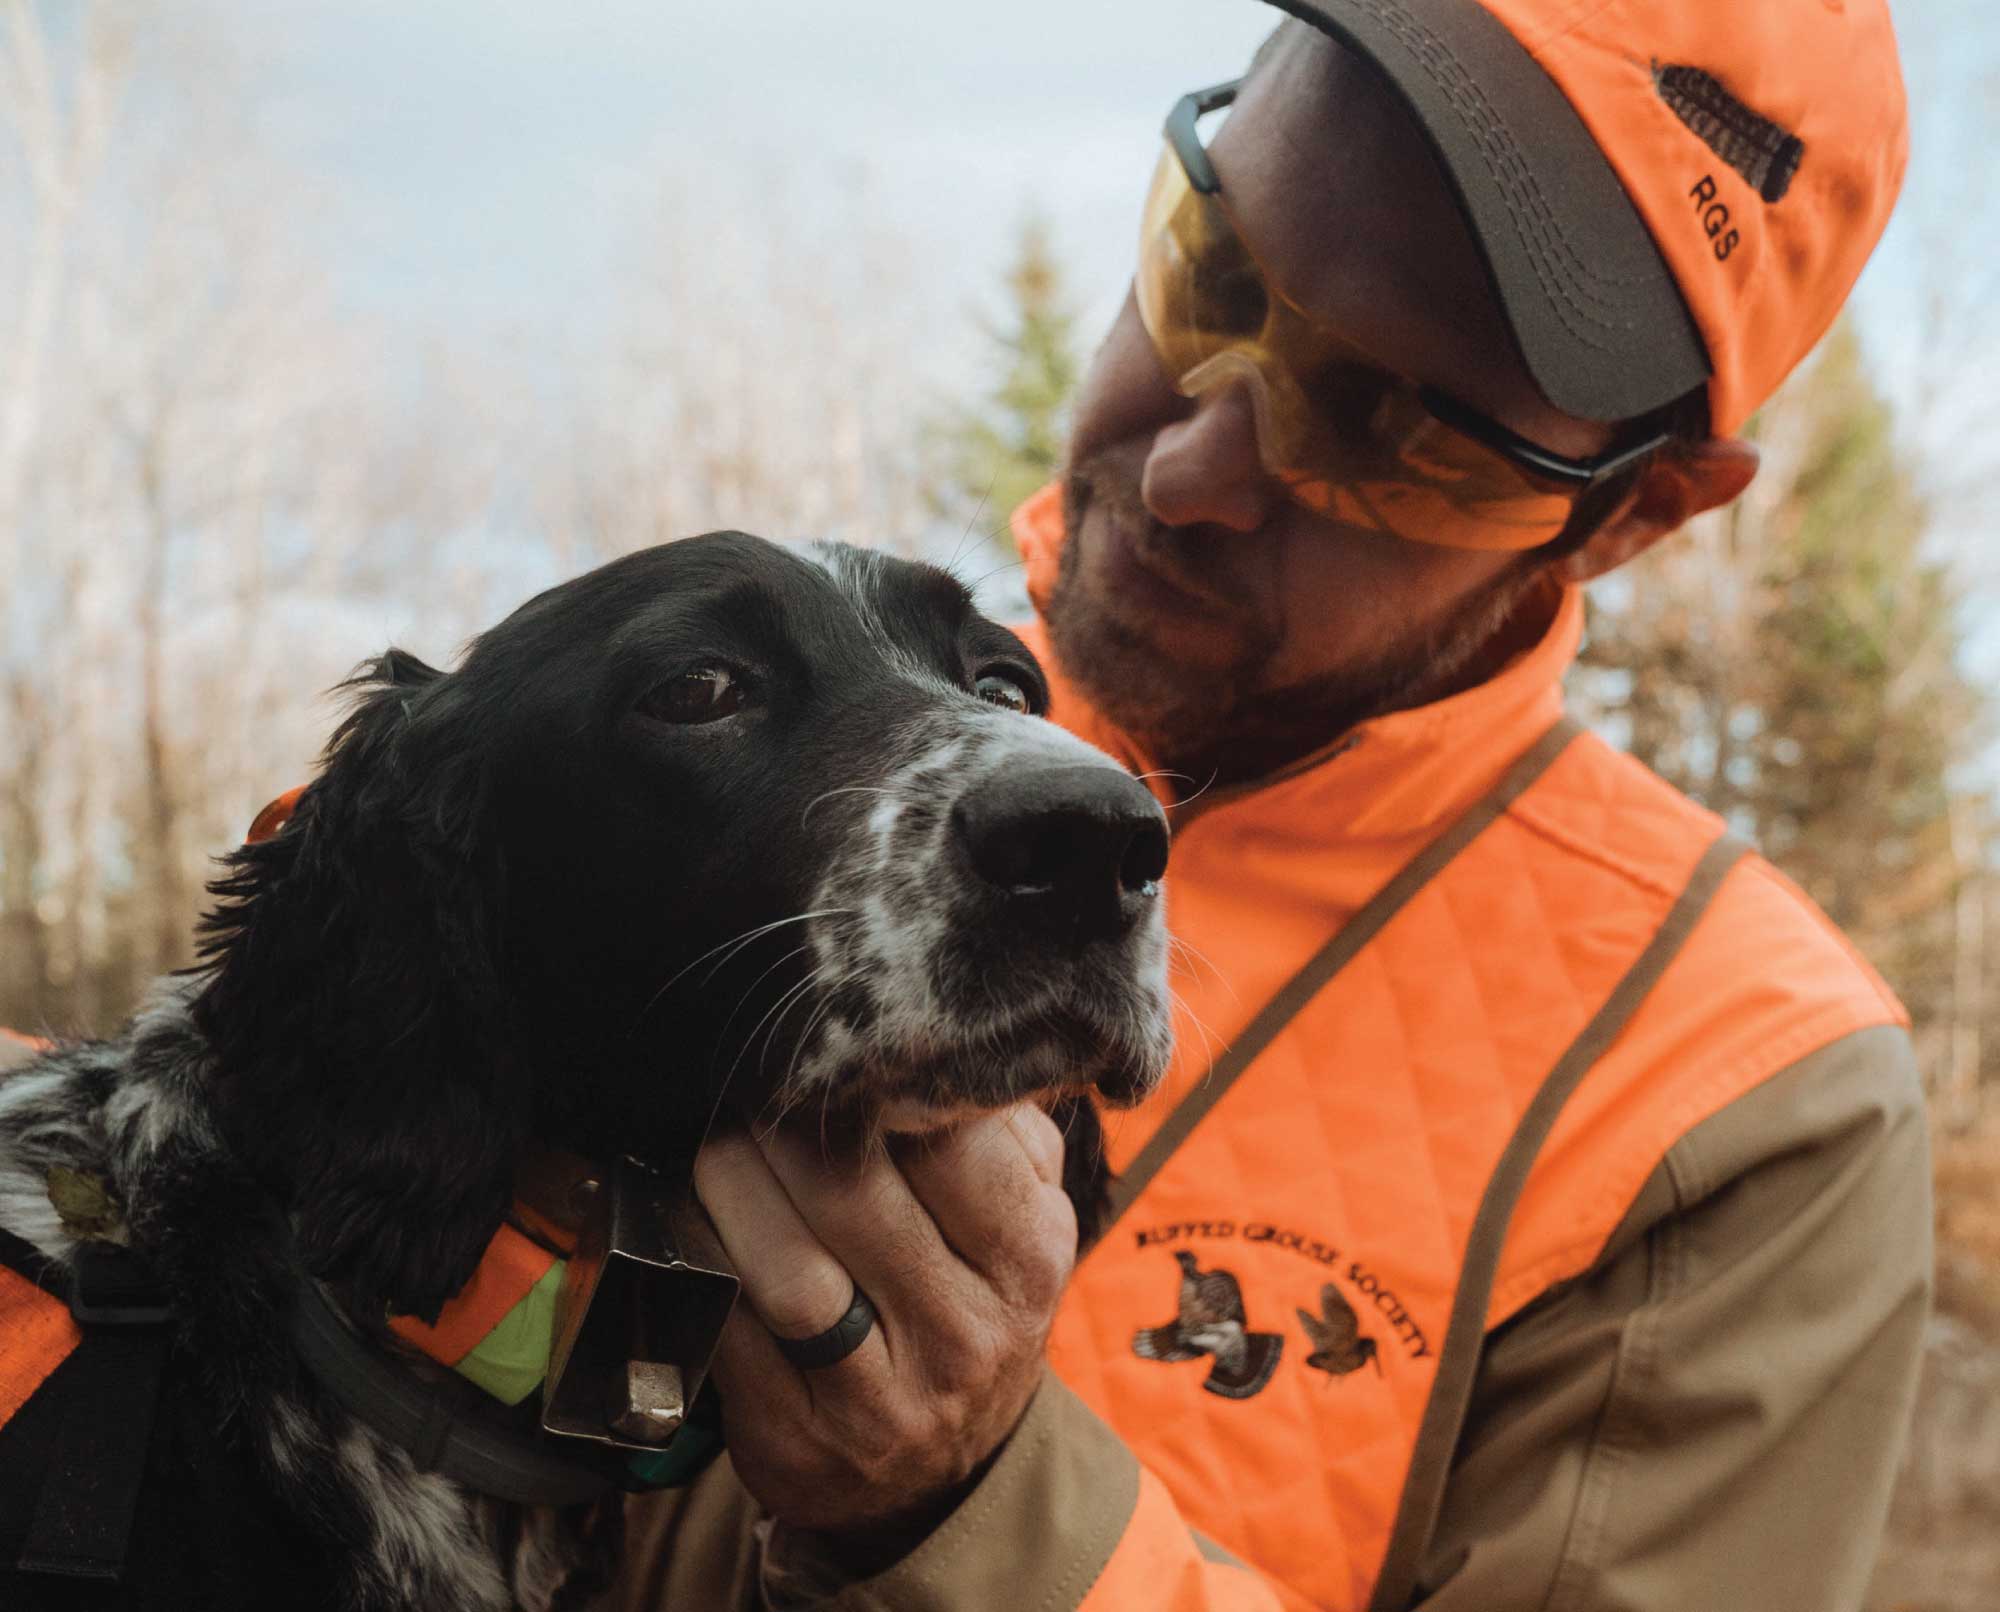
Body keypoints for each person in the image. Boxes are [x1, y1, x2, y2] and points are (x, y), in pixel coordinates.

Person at [618, 1, 1929, 1607]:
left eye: (1392, 429)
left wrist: (963, 1517)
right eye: (1208, 271)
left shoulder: (1735, 1093)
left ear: (1632, 516)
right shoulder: (729, 755)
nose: (1191, 473)